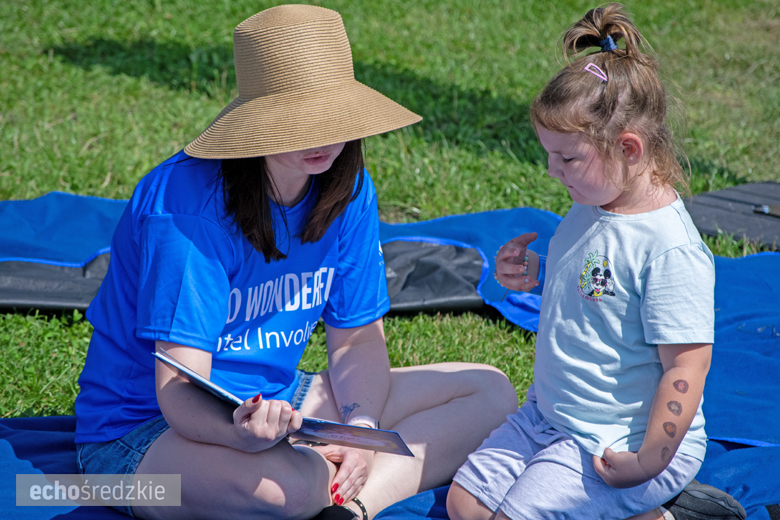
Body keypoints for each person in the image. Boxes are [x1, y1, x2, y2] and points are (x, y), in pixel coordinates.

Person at [73, 5, 519, 520]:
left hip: (282, 405)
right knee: (291, 487)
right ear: (258, 122)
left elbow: (356, 338)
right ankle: (323, 485)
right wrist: (244, 437)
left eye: (337, 117)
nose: (326, 138)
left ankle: (353, 507)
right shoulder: (186, 207)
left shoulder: (347, 190)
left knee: (490, 392)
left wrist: (363, 432)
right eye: (301, 121)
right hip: (142, 434)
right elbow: (179, 390)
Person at [446, 4, 746, 520]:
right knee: (463, 505)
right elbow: (596, 286)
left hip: (615, 436)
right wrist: (536, 275)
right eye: (549, 154)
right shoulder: (592, 202)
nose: (550, 169)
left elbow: (686, 366)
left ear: (629, 150)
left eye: (566, 158)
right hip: (549, 414)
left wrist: (648, 461)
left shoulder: (669, 249)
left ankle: (662, 505)